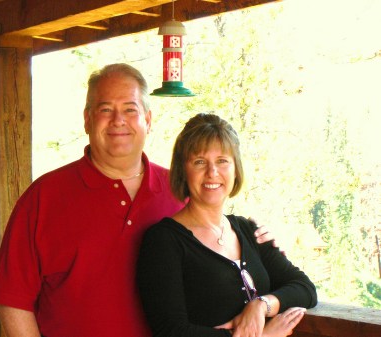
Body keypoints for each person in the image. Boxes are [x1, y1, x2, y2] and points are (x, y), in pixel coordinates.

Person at [0, 64, 278, 337]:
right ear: (87, 119)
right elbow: (12, 299)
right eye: (106, 110)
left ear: (148, 120)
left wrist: (262, 245)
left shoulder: (180, 190)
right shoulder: (44, 198)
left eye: (130, 109)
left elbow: (223, 243)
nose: (119, 120)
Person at [136, 113, 318, 337]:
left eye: (222, 161)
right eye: (200, 162)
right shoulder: (163, 241)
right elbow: (171, 331)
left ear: (235, 168)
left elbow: (305, 288)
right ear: (183, 170)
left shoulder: (248, 231)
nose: (212, 172)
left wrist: (261, 305)